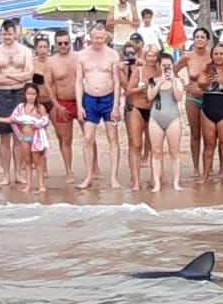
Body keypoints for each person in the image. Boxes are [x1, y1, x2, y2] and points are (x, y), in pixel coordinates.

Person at [0, 19, 34, 186]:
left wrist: (10, 76)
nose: (7, 36)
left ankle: (18, 173)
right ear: (1, 33)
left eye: (10, 33)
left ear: (15, 33)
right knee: (4, 136)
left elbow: (29, 75)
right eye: (5, 33)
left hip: (21, 92)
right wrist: (17, 76)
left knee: (19, 136)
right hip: (3, 94)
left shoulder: (25, 51)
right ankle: (6, 174)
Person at [76, 25, 124, 189]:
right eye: (96, 38)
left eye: (101, 38)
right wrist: (79, 105)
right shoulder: (82, 55)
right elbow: (78, 82)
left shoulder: (113, 54)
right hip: (89, 98)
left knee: (112, 137)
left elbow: (117, 82)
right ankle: (89, 175)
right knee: (88, 138)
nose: (98, 41)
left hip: (108, 98)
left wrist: (116, 105)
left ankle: (113, 177)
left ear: (106, 38)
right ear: (90, 37)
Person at [45, 31, 82, 184]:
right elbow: (48, 85)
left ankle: (95, 168)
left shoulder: (79, 58)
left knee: (89, 136)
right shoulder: (51, 62)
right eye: (60, 43)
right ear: (56, 44)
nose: (63, 46)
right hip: (63, 102)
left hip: (81, 100)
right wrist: (56, 105)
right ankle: (69, 170)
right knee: (66, 139)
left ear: (70, 42)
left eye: (66, 43)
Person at [146, 52, 187, 191]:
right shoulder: (153, 80)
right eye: (163, 65)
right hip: (155, 118)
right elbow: (150, 97)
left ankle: (176, 182)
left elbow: (179, 97)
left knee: (174, 152)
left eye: (168, 65)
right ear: (158, 65)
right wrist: (160, 82)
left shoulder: (177, 80)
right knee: (156, 152)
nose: (166, 68)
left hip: (173, 118)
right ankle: (157, 183)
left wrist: (172, 81)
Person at [199, 43, 223, 184]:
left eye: (221, 53)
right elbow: (200, 84)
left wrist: (222, 80)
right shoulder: (207, 69)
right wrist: (206, 82)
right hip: (208, 107)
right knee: (208, 145)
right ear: (212, 55)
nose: (219, 56)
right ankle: (205, 176)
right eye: (216, 54)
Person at [3, 81, 51, 195]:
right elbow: (12, 119)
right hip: (25, 138)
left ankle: (41, 185)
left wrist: (37, 124)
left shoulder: (40, 107)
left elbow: (45, 121)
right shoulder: (20, 107)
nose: (31, 96)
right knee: (27, 161)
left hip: (36, 137)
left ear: (37, 95)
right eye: (29, 94)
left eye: (33, 94)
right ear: (24, 94)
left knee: (37, 162)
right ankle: (28, 184)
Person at [124, 42, 158, 189]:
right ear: (145, 56)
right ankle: (135, 179)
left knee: (153, 146)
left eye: (154, 56)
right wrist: (142, 88)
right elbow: (128, 91)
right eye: (149, 55)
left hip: (154, 108)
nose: (151, 58)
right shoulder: (139, 71)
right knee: (136, 144)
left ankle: (154, 177)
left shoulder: (161, 71)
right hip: (136, 107)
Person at [182, 30, 212, 171]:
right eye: (197, 37)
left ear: (207, 40)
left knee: (209, 134)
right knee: (195, 133)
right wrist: (182, 85)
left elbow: (217, 74)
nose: (199, 39)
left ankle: (209, 166)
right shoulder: (188, 57)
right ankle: (195, 167)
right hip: (192, 98)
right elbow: (173, 69)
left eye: (202, 37)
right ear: (193, 39)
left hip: (208, 97)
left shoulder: (212, 57)